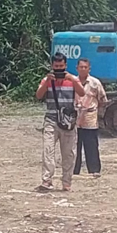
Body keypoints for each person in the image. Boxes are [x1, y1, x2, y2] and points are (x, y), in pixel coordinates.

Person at [36, 52, 80, 193]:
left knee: (68, 154)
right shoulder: (47, 79)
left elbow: (82, 92)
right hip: (51, 120)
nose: (59, 69)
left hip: (68, 122)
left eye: (61, 66)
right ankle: (47, 180)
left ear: (66, 65)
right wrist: (48, 82)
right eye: (56, 66)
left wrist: (72, 79)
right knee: (48, 151)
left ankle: (66, 182)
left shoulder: (72, 79)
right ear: (52, 66)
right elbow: (38, 95)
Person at [73, 57, 106, 179]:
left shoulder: (95, 83)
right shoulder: (73, 82)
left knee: (91, 145)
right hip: (75, 118)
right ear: (77, 68)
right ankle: (74, 170)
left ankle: (94, 170)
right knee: (74, 145)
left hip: (90, 118)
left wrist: (98, 113)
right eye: (81, 67)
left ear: (89, 68)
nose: (83, 69)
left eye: (85, 67)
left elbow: (102, 99)